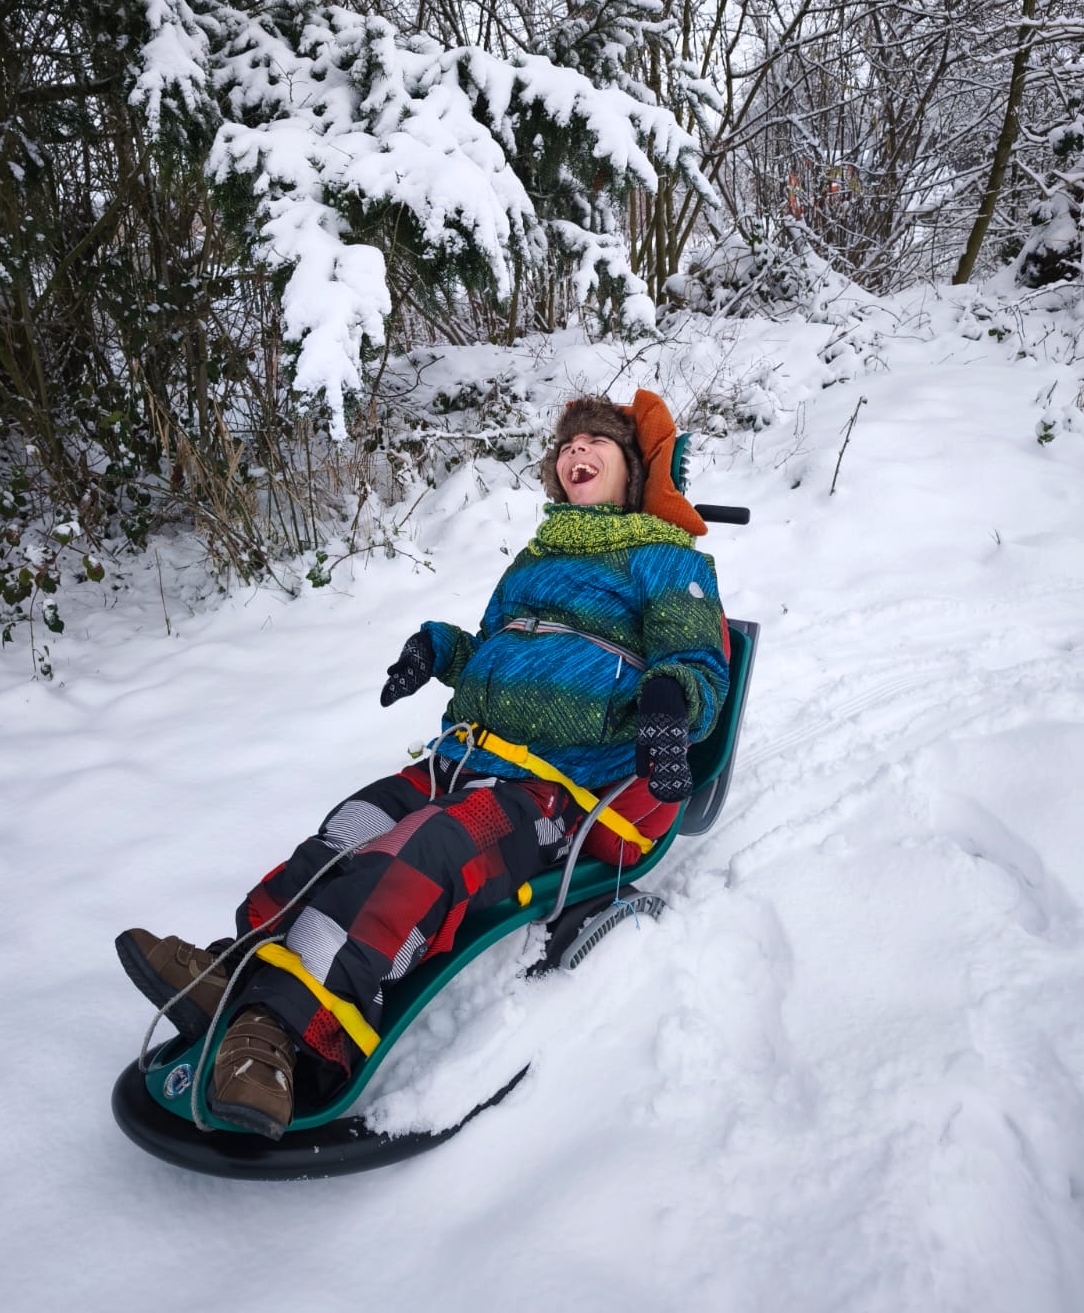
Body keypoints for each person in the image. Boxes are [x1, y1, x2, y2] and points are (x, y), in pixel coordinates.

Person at [116, 390, 729, 1137]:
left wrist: (670, 704)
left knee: (423, 855)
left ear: (634, 471)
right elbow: (493, 650)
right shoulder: (535, 563)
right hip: (462, 759)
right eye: (569, 444)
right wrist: (439, 650)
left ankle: (289, 1034)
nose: (578, 450)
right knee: (352, 828)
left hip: (553, 794)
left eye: (598, 441)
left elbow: (697, 662)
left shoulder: (666, 560)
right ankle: (237, 968)